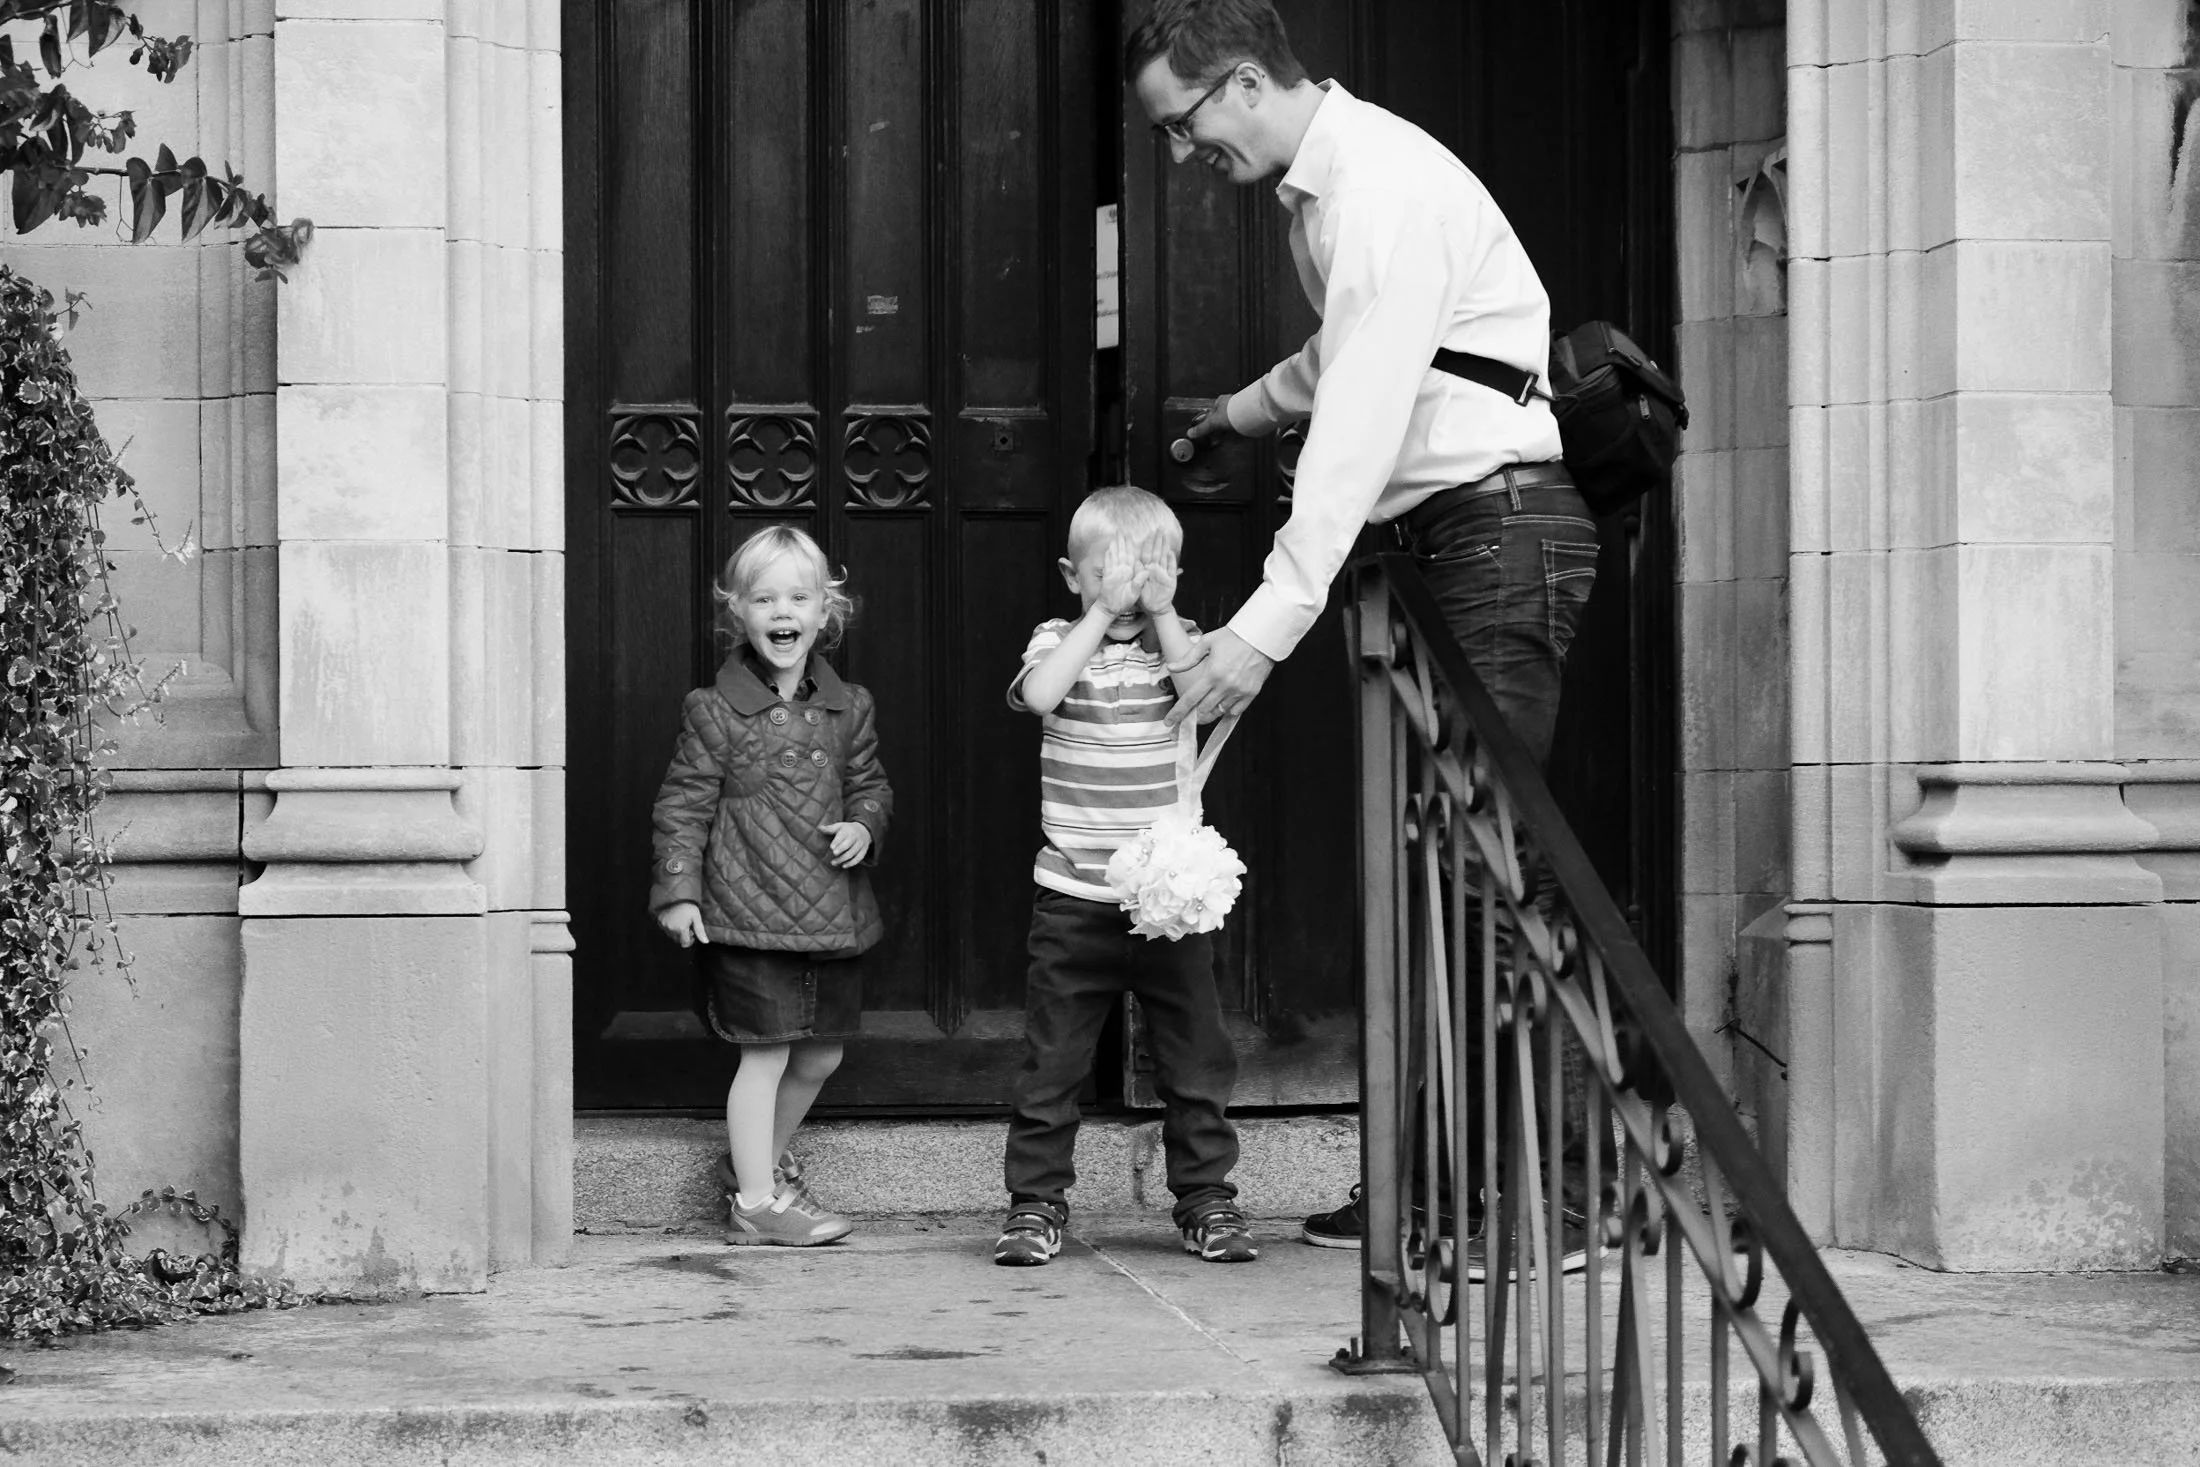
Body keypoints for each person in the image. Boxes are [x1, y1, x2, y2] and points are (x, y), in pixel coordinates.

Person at [1126, 0, 1599, 1252]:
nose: (1183, 156)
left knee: (1489, 871)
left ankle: (1557, 1194)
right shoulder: (1327, 194)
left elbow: (1367, 411)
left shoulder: (1379, 185)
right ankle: (1441, 1189)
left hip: (1496, 538)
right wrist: (1234, 414)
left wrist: (1265, 624)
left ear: (1237, 85)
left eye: (1181, 126)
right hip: (1454, 543)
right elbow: (1351, 357)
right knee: (1448, 872)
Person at [994, 486, 1258, 1267]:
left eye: (1153, 569)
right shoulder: (1057, 640)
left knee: (1195, 1055)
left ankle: (1207, 1197)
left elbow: (1196, 701)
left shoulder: (1185, 648)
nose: (1135, 585)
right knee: (1055, 1059)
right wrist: (1101, 616)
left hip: (1168, 903)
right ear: (1074, 576)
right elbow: (1039, 696)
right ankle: (1036, 1201)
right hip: (1074, 897)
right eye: (1111, 571)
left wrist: (1167, 616)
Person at [649, 524, 893, 1247]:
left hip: (830, 909)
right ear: (740, 612)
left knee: (821, 1052)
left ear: (826, 610)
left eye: (798, 596)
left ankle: (748, 1164)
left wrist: (865, 824)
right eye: (764, 598)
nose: (781, 611)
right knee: (766, 1051)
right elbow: (682, 804)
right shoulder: (713, 708)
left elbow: (871, 785)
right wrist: (679, 890)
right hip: (746, 907)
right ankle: (757, 1201)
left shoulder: (852, 707)